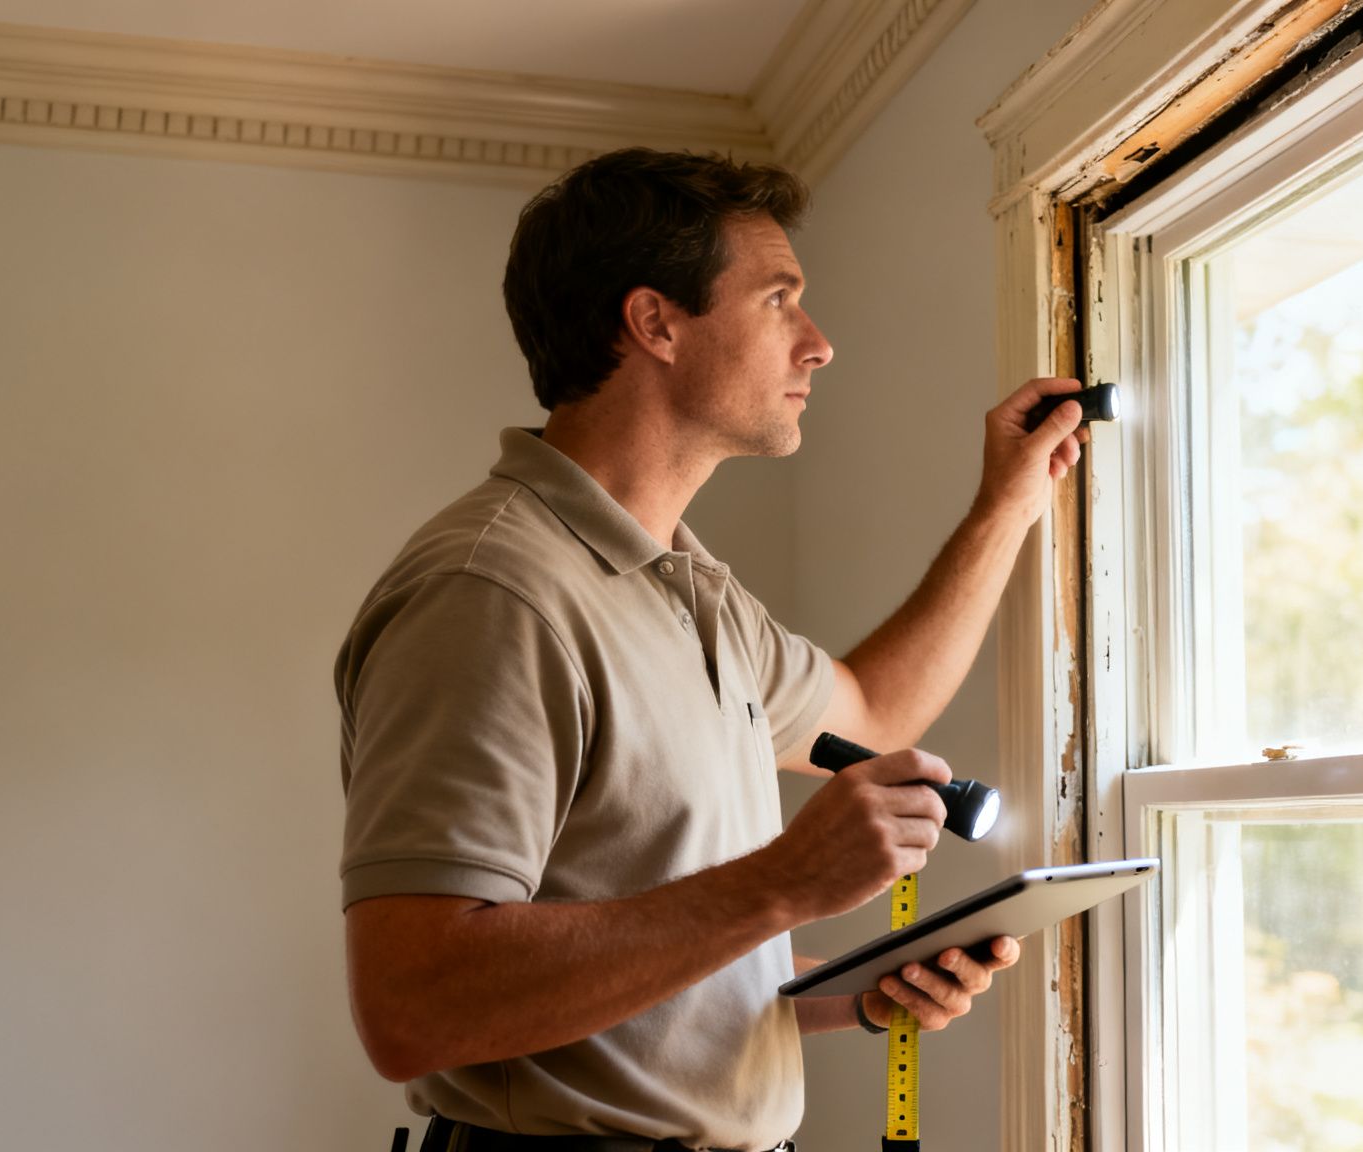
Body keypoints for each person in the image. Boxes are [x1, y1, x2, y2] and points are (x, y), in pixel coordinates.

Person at [335, 147, 1090, 1152]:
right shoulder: (494, 593)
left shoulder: (693, 596)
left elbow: (869, 712)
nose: (818, 345)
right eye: (780, 300)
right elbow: (413, 1007)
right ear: (654, 322)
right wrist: (780, 884)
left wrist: (1007, 507)